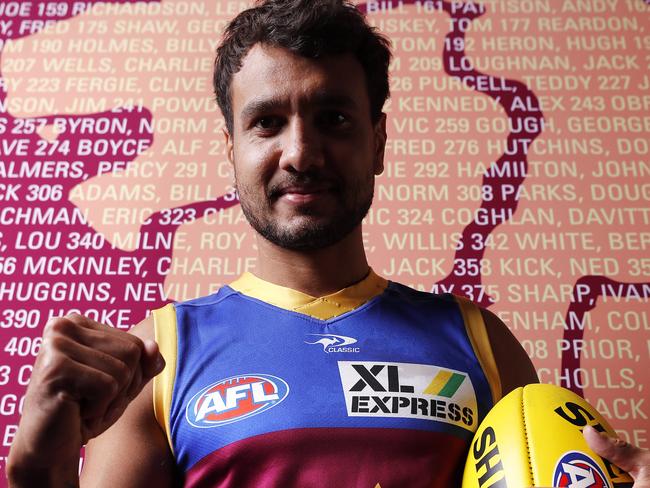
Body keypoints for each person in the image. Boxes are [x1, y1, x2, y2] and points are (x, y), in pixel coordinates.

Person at [7, 0, 649, 486]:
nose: (301, 152)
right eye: (267, 122)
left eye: (333, 119)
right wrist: (38, 469)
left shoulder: (482, 343)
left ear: (378, 141)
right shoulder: (155, 357)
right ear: (233, 149)